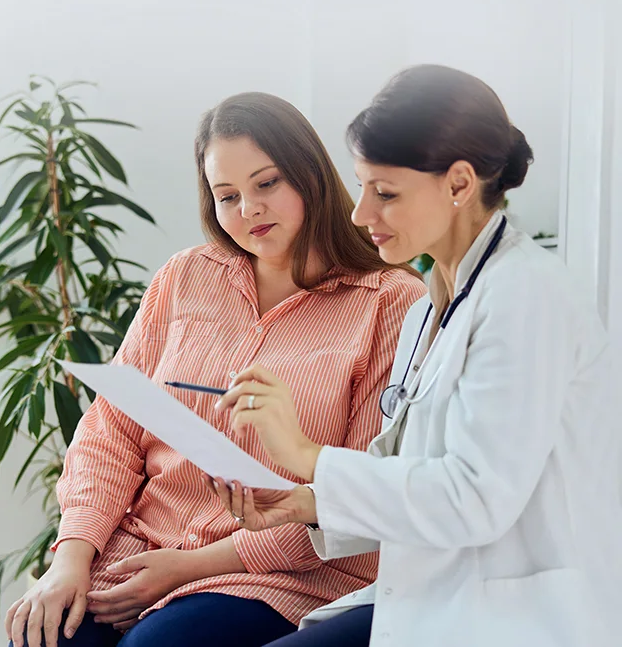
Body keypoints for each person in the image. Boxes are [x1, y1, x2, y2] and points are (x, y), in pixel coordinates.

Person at [213, 65, 619, 647]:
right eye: (361, 187)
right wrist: (303, 503)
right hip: (434, 594)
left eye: (385, 193)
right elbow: (403, 466)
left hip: (521, 617)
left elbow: (472, 500)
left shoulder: (527, 297)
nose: (360, 214)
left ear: (458, 184)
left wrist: (306, 455)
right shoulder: (428, 308)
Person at [5, 92, 426, 647]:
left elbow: (355, 493)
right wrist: (70, 560)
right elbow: (111, 433)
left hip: (279, 573)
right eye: (227, 195)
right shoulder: (184, 278)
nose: (248, 209)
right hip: (141, 551)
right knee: (40, 637)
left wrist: (190, 568)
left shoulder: (391, 303)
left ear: (310, 175)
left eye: (267, 183)